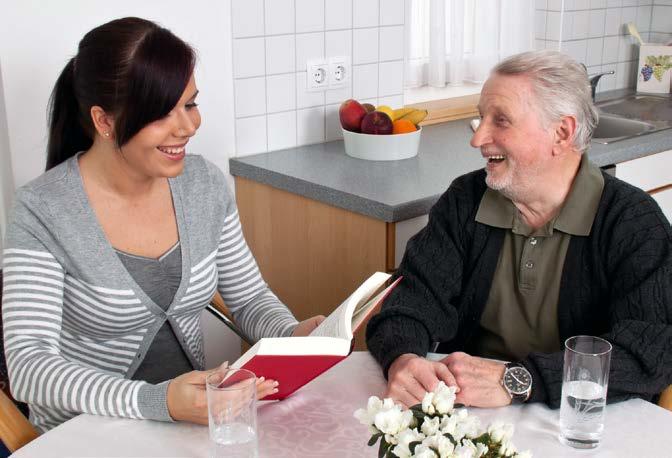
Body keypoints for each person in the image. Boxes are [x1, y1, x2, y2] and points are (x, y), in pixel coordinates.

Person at [1, 17, 323, 433]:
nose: (188, 127)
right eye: (161, 113)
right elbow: (30, 365)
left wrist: (292, 336)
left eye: (190, 104)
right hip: (86, 435)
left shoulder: (203, 184)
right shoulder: (42, 210)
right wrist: (159, 400)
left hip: (191, 428)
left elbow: (248, 299)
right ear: (104, 121)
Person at [366, 50, 672, 410]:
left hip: (583, 421)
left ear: (561, 132)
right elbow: (410, 303)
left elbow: (649, 350)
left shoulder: (631, 222)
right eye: (481, 118)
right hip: (473, 417)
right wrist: (403, 359)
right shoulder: (466, 200)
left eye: (501, 121)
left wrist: (517, 380)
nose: (477, 138)